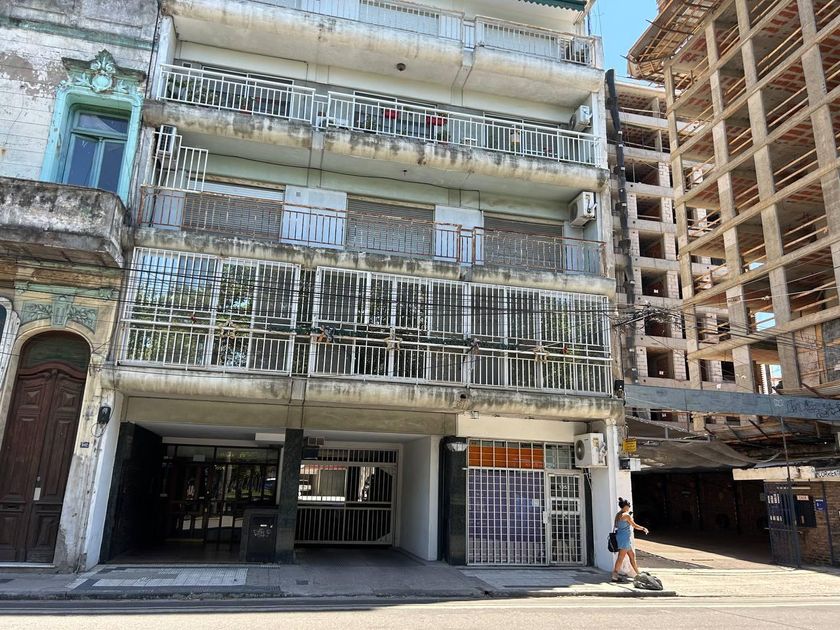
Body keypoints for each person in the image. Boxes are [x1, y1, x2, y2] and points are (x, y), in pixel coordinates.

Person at [611, 497, 649, 582]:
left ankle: (638, 573)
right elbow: (634, 525)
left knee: (631, 555)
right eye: (628, 506)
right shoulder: (626, 515)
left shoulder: (618, 515)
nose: (629, 507)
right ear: (625, 506)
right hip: (624, 539)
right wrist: (643, 528)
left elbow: (616, 526)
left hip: (621, 537)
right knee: (620, 557)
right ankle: (614, 575)